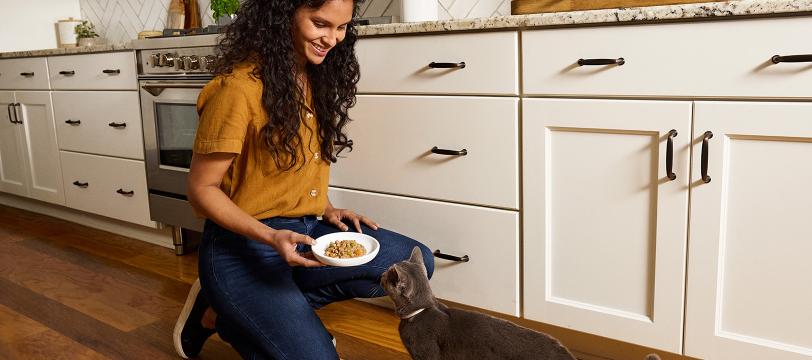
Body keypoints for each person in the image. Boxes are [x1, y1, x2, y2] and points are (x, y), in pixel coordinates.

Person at [170, 0, 436, 359]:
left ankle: (237, 314)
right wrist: (269, 235)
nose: (331, 39)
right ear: (283, 15)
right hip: (241, 246)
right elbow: (201, 191)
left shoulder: (314, 75)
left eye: (341, 28)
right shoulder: (237, 90)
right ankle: (228, 308)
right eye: (320, 24)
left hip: (305, 233)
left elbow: (289, 169)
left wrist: (326, 208)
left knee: (413, 263)